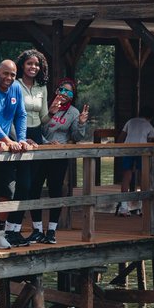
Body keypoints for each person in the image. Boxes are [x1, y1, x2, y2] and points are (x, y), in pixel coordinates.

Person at [0, 59, 33, 250]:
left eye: (12, 75)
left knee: (7, 192)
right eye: (5, 73)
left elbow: (21, 115)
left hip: (6, 147)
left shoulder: (17, 89)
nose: (9, 78)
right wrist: (7, 140)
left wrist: (20, 139)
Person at [6, 49, 51, 244]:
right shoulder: (14, 85)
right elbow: (12, 115)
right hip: (19, 136)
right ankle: (10, 229)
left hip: (37, 136)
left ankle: (22, 230)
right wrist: (20, 139)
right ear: (22, 65)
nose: (33, 67)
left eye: (37, 64)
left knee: (34, 186)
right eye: (29, 64)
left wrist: (54, 110)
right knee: (22, 185)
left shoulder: (42, 87)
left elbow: (44, 119)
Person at [39, 77, 91, 243]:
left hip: (59, 156)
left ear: (72, 95)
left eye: (69, 92)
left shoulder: (74, 113)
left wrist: (82, 123)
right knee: (34, 189)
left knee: (56, 190)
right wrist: (47, 142)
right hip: (40, 153)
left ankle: (52, 230)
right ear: (56, 90)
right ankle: (37, 229)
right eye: (62, 90)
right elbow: (36, 128)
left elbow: (76, 136)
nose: (65, 94)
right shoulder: (44, 106)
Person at [117, 106, 154, 216]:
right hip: (142, 151)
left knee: (126, 176)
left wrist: (118, 149)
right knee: (143, 177)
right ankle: (144, 208)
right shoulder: (149, 126)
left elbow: (121, 138)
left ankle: (124, 208)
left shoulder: (130, 121)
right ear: (152, 116)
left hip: (128, 150)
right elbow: (151, 143)